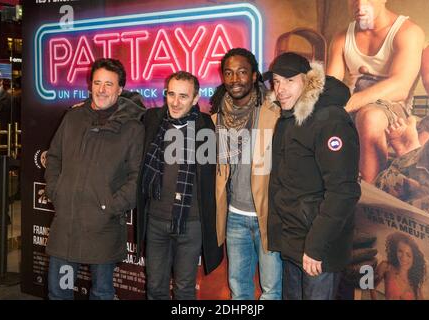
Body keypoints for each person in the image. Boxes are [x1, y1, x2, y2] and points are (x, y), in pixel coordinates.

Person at [44, 58, 145, 300]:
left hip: (103, 230)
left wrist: (110, 207)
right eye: (97, 82)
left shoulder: (132, 128)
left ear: (120, 89)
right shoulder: (73, 117)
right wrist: (55, 191)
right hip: (67, 227)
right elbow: (54, 156)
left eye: (109, 84)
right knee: (60, 291)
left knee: (101, 293)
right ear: (90, 85)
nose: (101, 89)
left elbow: (137, 177)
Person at [266, 52, 361, 300]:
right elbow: (285, 184)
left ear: (308, 81)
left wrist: (316, 247)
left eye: (289, 81)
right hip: (293, 244)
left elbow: (343, 191)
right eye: (276, 81)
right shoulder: (287, 118)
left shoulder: (330, 118)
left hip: (318, 250)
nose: (281, 89)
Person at [136, 71, 223, 300]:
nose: (175, 102)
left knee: (184, 290)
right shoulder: (153, 119)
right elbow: (126, 110)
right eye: (171, 94)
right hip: (155, 220)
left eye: (183, 96)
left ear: (195, 99)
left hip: (191, 224)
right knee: (155, 287)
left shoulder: (206, 127)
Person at [210, 48, 282, 300]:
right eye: (228, 73)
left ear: (254, 76)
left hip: (267, 217)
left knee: (271, 290)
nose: (235, 79)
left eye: (242, 72)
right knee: (239, 289)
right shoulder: (216, 118)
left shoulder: (274, 114)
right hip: (234, 217)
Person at [327, 0, 425, 183]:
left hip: (392, 107)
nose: (360, 4)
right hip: (351, 105)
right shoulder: (341, 37)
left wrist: (345, 106)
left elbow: (400, 86)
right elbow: (329, 86)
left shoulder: (407, 32)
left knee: (370, 117)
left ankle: (369, 197)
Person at [371, 232, 426, 300]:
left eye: (408, 255)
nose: (404, 258)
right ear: (395, 251)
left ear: (414, 260)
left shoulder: (415, 286)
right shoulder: (386, 267)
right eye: (400, 251)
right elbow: (372, 286)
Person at [0, 68, 12, 227]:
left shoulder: (9, 100)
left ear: (0, 82)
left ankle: (3, 215)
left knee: (0, 182)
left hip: (1, 146)